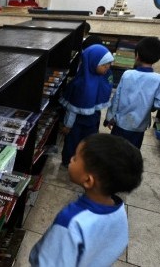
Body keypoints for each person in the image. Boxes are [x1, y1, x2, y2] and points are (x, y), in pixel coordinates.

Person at [29, 133, 143, 266]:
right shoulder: (118, 209)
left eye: (76, 158)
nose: (71, 159)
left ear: (88, 180)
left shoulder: (71, 221)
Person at [59, 44, 114, 167]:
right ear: (92, 63)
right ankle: (67, 162)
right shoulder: (80, 84)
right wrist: (67, 125)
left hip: (93, 121)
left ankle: (83, 163)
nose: (107, 68)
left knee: (89, 144)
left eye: (109, 64)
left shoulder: (103, 78)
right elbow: (72, 109)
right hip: (76, 123)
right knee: (72, 143)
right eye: (104, 65)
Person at [104, 37, 160, 148]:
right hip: (139, 127)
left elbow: (116, 98)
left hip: (120, 124)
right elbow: (157, 104)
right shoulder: (158, 79)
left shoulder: (127, 74)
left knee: (114, 151)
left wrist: (109, 117)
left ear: (137, 55)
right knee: (131, 153)